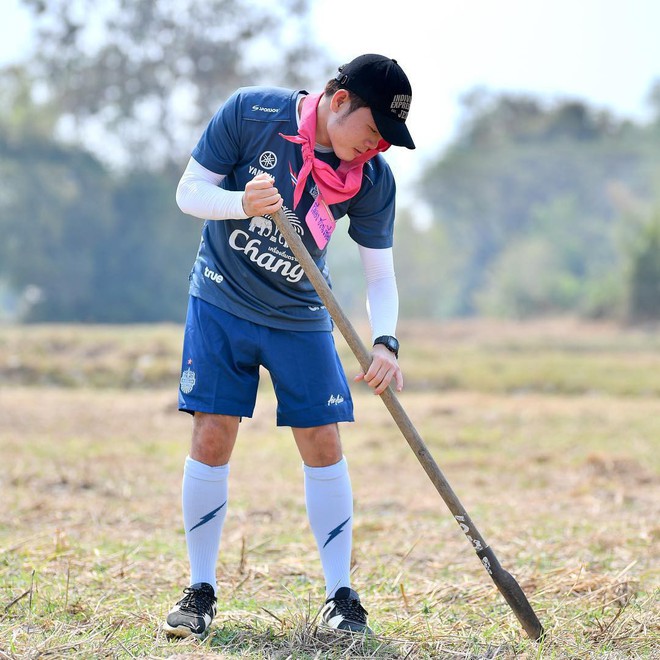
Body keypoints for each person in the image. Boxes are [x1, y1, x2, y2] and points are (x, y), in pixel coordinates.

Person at [163, 53, 415, 640]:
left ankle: (340, 598)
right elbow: (189, 192)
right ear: (339, 98)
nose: (375, 147)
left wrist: (386, 342)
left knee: (323, 440)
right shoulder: (251, 113)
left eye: (387, 140)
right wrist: (240, 205)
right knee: (213, 430)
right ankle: (200, 591)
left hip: (302, 314)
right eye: (373, 130)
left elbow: (379, 275)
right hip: (222, 299)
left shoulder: (372, 179)